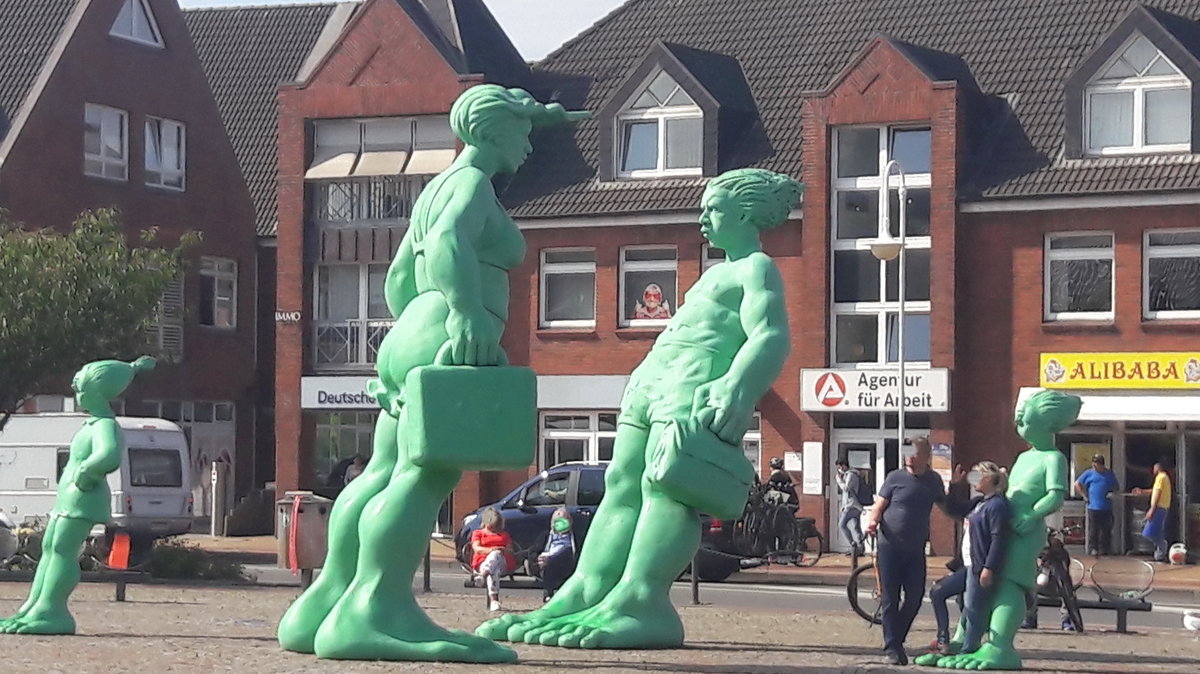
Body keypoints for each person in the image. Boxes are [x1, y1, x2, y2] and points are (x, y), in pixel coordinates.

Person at [276, 84, 584, 664]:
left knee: (379, 474)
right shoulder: (471, 184)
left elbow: (397, 276)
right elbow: (448, 243)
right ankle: (376, 609)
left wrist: (412, 333)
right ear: (495, 132)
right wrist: (467, 315)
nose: (527, 149)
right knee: (424, 475)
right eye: (523, 134)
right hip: (448, 331)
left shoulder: (435, 186)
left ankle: (323, 603)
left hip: (412, 331)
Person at [478, 168, 800, 649]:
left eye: (713, 209)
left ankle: (643, 601)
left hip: (692, 390)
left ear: (746, 212)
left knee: (665, 487)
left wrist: (737, 385)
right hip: (651, 387)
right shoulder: (715, 273)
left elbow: (772, 334)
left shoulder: (757, 267)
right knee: (620, 485)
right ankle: (587, 589)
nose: (703, 219)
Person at [1, 356, 155, 635]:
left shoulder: (106, 425)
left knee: (62, 551)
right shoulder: (93, 424)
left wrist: (86, 470)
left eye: (80, 389)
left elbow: (108, 455)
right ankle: (33, 607)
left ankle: (53, 610)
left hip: (83, 498)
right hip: (70, 498)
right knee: (50, 548)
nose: (77, 394)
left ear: (97, 391)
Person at [866, 436, 963, 666]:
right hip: (889, 546)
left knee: (915, 598)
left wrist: (958, 489)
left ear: (925, 455)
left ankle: (896, 640)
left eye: (913, 452)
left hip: (915, 548)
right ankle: (892, 647)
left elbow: (948, 507)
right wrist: (872, 522)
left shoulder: (933, 480)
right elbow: (879, 506)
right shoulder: (895, 477)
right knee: (890, 599)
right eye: (906, 452)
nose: (908, 457)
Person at [917, 462, 1010, 664]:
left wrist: (989, 568)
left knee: (973, 607)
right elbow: (953, 509)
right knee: (938, 592)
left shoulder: (997, 506)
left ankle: (969, 648)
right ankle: (944, 640)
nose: (974, 479)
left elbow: (999, 539)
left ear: (988, 479)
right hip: (967, 565)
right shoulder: (979, 502)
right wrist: (954, 485)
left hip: (980, 566)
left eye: (978, 476)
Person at [471, 508, 517, 612]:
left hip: (502, 562)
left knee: (496, 555)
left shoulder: (504, 535)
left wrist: (501, 550)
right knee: (493, 570)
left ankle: (483, 575)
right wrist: (491, 549)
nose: (494, 528)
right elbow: (477, 548)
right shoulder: (478, 533)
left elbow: (510, 550)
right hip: (482, 563)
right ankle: (494, 601)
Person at [1074, 454, 1119, 555]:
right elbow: (1077, 484)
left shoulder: (1109, 474)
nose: (1094, 465)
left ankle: (1105, 549)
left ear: (1102, 464)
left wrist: (1112, 493)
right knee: (1093, 529)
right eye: (1094, 463)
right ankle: (1093, 549)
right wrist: (1084, 496)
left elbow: (1116, 487)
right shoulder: (1089, 473)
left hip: (1106, 507)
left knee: (1106, 530)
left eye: (1097, 463)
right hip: (1093, 507)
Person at [535, 507, 578, 602]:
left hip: (567, 561)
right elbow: (534, 551)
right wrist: (539, 558)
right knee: (547, 561)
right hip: (548, 562)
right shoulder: (546, 536)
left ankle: (550, 560)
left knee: (566, 550)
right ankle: (548, 594)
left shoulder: (575, 537)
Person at [1134, 462, 1173, 562]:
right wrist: (1142, 491)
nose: (1153, 470)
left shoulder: (1161, 477)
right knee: (1156, 531)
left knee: (1149, 533)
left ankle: (1162, 548)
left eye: (1154, 468)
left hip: (1159, 507)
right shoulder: (1163, 478)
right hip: (1161, 508)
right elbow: (1155, 490)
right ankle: (1159, 553)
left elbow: (1158, 493)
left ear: (1158, 468)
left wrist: (1152, 509)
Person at [835, 458, 865, 556]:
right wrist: (843, 505)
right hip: (854, 505)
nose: (839, 469)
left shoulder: (851, 475)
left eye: (839, 467)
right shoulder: (851, 474)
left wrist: (838, 480)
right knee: (856, 527)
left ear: (843, 465)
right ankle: (860, 548)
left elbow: (846, 489)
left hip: (852, 505)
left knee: (841, 525)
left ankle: (853, 544)